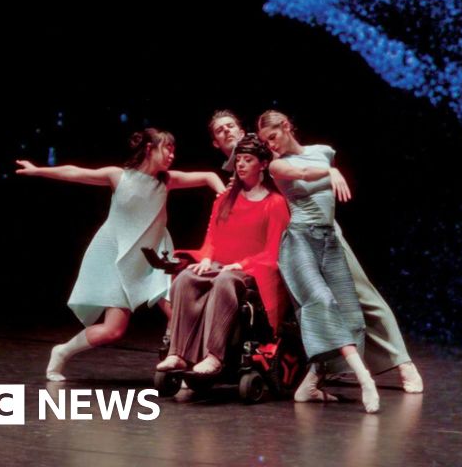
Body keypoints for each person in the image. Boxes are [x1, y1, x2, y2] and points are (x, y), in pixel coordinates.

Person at [208, 109, 423, 393]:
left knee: (362, 296)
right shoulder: (257, 164)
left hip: (323, 233)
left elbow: (315, 183)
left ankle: (402, 363)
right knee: (312, 308)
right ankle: (317, 373)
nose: (227, 132)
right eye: (220, 130)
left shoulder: (297, 151)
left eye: (230, 126)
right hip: (292, 239)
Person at [16, 128, 225, 381]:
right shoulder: (119, 176)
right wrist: (38, 170)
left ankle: (182, 367)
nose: (172, 155)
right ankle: (62, 351)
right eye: (167, 149)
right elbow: (75, 172)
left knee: (179, 314)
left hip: (155, 259)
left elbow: (208, 176)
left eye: (174, 150)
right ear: (149, 148)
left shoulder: (166, 180)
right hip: (121, 258)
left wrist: (224, 194)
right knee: (112, 331)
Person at [259, 109, 379, 413]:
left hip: (329, 240)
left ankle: (310, 385)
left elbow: (325, 184)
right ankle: (365, 379)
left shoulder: (323, 151)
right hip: (299, 241)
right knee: (322, 302)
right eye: (266, 141)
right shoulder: (277, 165)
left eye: (273, 137)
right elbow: (302, 174)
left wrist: (330, 169)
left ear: (286, 126)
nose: (271, 145)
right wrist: (330, 172)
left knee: (351, 316)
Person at [157, 134, 290, 376]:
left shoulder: (275, 203)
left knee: (224, 281)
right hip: (219, 264)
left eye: (248, 160)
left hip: (251, 270)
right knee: (186, 278)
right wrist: (207, 258)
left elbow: (273, 251)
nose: (240, 164)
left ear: (262, 164)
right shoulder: (225, 199)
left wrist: (241, 264)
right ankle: (178, 353)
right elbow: (211, 237)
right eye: (238, 160)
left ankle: (214, 356)